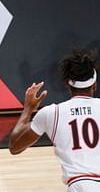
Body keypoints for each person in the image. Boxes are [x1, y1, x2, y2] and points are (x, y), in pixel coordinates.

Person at [9, 50, 100, 191]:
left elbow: (15, 146)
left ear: (67, 85)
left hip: (80, 186)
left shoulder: (51, 113)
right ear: (94, 84)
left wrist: (28, 109)